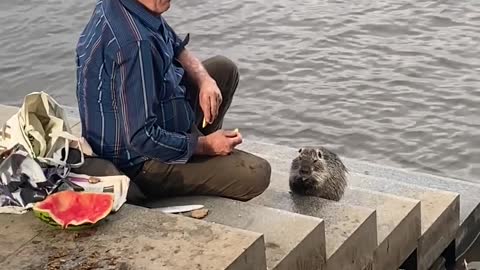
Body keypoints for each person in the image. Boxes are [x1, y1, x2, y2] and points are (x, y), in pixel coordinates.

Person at [74, 0, 271, 204]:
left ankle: (201, 153)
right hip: (140, 162)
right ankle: (193, 166)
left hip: (158, 118)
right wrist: (205, 146)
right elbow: (142, 138)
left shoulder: (125, 7)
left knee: (223, 69)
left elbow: (175, 46)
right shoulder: (135, 45)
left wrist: (204, 79)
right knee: (258, 173)